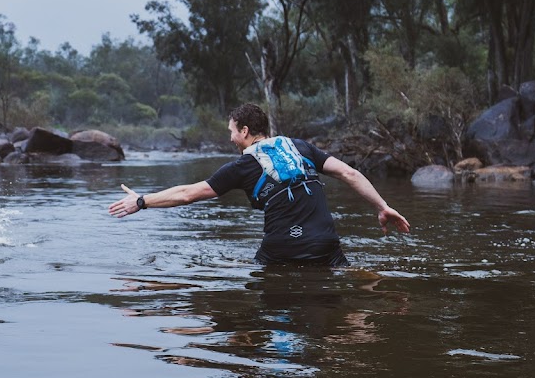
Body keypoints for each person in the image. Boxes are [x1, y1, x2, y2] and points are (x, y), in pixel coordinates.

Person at [108, 103, 410, 267]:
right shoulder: (302, 148)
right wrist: (382, 207)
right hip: (325, 245)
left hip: (281, 249)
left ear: (245, 131)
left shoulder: (242, 166)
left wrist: (142, 201)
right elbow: (350, 174)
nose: (229, 138)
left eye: (231, 132)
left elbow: (188, 194)